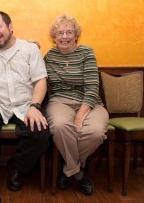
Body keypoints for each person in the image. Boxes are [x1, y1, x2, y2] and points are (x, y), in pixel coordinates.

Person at [0, 11, 51, 202]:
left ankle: (17, 166)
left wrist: (35, 106)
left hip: (25, 104)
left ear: (10, 27)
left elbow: (40, 81)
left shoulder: (30, 50)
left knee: (41, 133)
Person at [44, 14, 109, 195]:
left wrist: (80, 117)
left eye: (69, 32)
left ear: (76, 35)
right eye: (60, 33)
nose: (65, 36)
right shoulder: (49, 56)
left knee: (95, 132)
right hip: (59, 101)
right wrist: (29, 47)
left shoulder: (87, 52)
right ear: (54, 37)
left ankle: (68, 167)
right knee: (60, 126)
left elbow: (92, 87)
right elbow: (33, 71)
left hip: (90, 102)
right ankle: (78, 173)